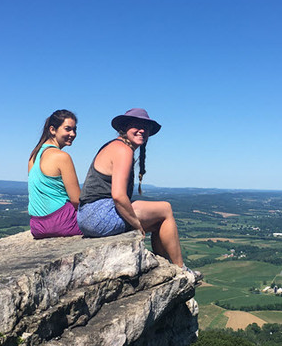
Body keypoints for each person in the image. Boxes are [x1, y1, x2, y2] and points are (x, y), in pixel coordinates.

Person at [77, 108, 198, 278]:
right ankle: (181, 269)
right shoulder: (123, 150)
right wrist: (136, 224)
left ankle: (166, 267)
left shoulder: (114, 146)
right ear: (125, 128)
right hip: (99, 215)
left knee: (158, 223)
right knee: (165, 209)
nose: (142, 130)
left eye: (145, 127)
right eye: (136, 126)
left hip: (87, 216)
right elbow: (118, 196)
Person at [27, 110, 83, 238]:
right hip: (62, 222)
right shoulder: (62, 157)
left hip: (37, 226)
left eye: (74, 129)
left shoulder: (34, 155)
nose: (73, 134)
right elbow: (76, 200)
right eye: (68, 129)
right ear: (52, 130)